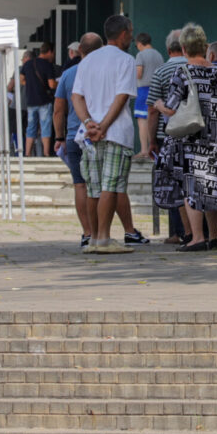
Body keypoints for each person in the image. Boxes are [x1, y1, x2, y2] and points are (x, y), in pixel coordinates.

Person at [157, 23, 217, 252]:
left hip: (190, 137)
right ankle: (213, 237)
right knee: (211, 185)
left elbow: (171, 108)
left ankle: (197, 237)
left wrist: (159, 104)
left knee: (190, 187)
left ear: (183, 48)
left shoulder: (182, 72)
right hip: (214, 136)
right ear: (204, 47)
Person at [72, 14, 141, 254]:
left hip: (89, 134)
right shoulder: (126, 60)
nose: (131, 37)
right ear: (123, 34)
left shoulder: (87, 61)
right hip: (116, 131)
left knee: (93, 187)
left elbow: (76, 96)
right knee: (111, 185)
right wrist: (104, 125)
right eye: (130, 33)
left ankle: (93, 237)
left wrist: (89, 122)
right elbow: (122, 96)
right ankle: (104, 237)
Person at [54, 32, 103, 249]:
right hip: (102, 132)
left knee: (80, 184)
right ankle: (102, 231)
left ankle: (87, 231)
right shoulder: (105, 72)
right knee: (102, 185)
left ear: (79, 51)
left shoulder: (69, 74)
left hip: (76, 134)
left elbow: (58, 109)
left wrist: (59, 136)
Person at [145, 30, 191, 244]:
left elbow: (153, 110)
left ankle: (177, 232)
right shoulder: (196, 68)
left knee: (174, 182)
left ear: (167, 49)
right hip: (196, 133)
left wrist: (151, 140)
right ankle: (200, 231)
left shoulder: (161, 72)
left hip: (170, 134)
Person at [21, 43, 59, 158]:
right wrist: (60, 83)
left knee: (31, 127)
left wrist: (32, 85)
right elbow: (52, 85)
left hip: (31, 101)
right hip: (44, 101)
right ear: (50, 52)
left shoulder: (27, 64)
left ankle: (27, 154)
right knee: (45, 127)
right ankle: (46, 153)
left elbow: (21, 79)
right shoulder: (47, 65)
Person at [134, 32, 165, 145]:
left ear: (139, 43)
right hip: (157, 90)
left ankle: (144, 150)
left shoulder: (140, 55)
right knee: (155, 120)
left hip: (143, 90)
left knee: (142, 120)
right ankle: (154, 146)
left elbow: (139, 74)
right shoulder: (159, 55)